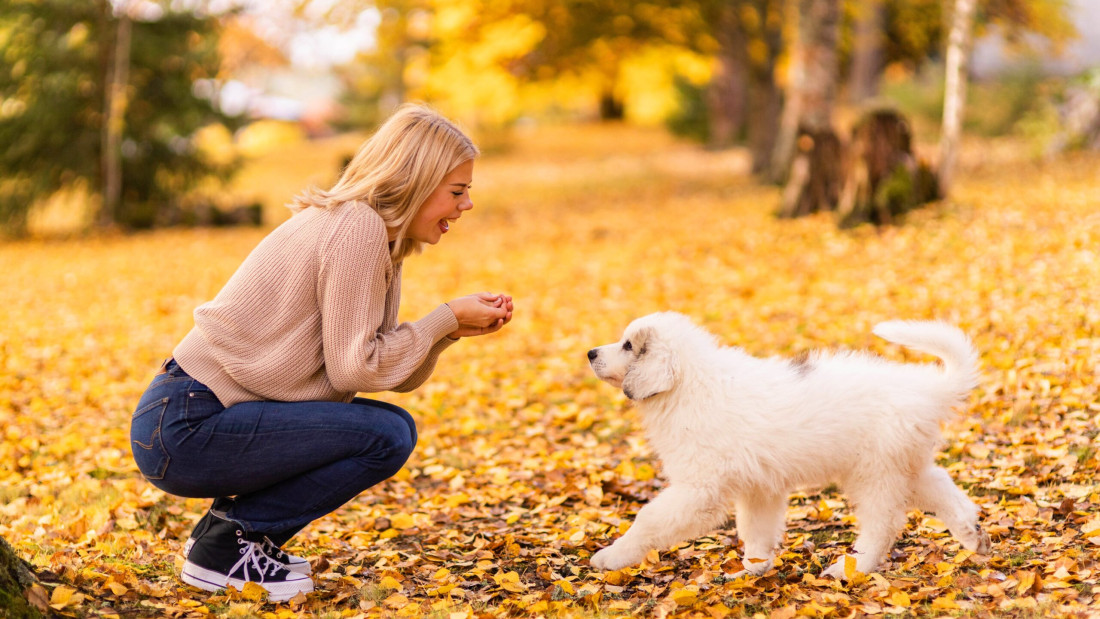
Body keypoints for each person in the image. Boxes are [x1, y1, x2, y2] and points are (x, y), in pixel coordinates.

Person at [129, 104, 513, 602]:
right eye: (457, 191)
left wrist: (450, 330)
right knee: (386, 434)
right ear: (416, 180)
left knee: (389, 430)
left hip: (186, 420)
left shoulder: (375, 237)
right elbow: (356, 367)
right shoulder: (358, 227)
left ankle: (224, 541)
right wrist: (442, 317)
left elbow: (386, 369)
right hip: (185, 423)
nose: (466, 206)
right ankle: (227, 546)